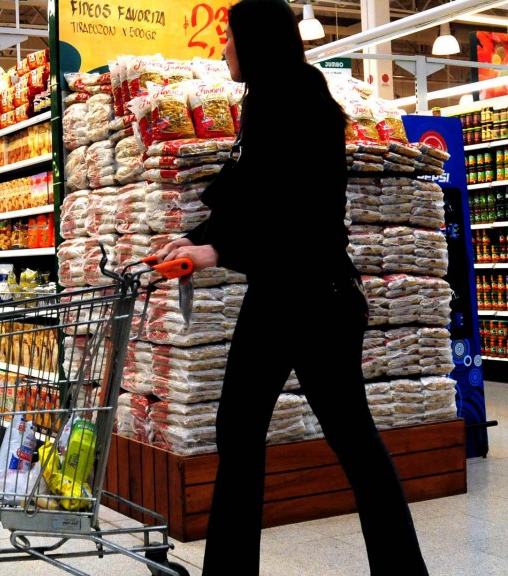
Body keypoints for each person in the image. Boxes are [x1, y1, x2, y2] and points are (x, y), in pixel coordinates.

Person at [157, 0, 429, 574]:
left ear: (256, 41)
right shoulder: (275, 95)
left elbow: (290, 205)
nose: (223, 49)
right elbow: (250, 190)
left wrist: (216, 249)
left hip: (308, 295)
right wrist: (195, 238)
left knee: (302, 434)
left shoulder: (296, 101)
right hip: (295, 292)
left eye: (229, 38)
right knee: (303, 435)